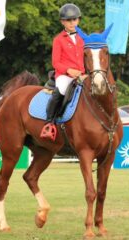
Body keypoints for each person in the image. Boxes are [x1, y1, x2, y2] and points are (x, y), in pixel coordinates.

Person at [40, 3, 85, 141]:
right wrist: (69, 70)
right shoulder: (58, 40)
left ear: (78, 20)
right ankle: (49, 123)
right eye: (68, 20)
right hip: (64, 75)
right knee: (61, 91)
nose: (72, 23)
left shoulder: (83, 38)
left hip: (83, 74)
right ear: (62, 22)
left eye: (74, 19)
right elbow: (55, 63)